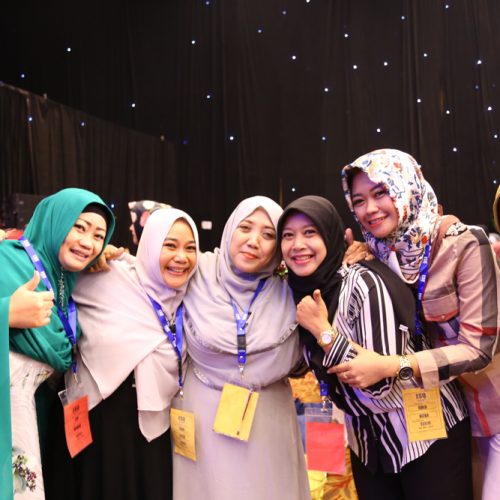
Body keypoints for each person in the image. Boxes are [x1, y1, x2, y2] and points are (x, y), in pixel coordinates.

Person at [278, 195, 472, 500]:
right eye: (288, 235)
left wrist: (323, 332)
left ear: (330, 234)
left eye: (310, 232)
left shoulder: (362, 283)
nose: (298, 244)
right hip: (368, 443)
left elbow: (378, 385)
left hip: (424, 433)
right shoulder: (300, 291)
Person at [339, 148, 500, 500]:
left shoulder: (465, 244)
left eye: (381, 193)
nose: (369, 209)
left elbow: (479, 349)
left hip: (491, 411)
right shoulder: (379, 252)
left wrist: (392, 366)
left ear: (406, 187)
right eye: (359, 200)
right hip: (440, 417)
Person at [43, 207, 198, 500]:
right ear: (150, 245)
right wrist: (95, 254)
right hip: (100, 424)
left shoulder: (193, 293)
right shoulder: (108, 275)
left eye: (190, 248)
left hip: (158, 429)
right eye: (170, 245)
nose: (181, 257)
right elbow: (53, 268)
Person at [172, 196, 311, 500]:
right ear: (230, 229)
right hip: (202, 414)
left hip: (268, 417)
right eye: (245, 228)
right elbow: (146, 271)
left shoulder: (292, 289)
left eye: (268, 234)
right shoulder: (195, 273)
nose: (253, 241)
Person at [0, 188, 115, 499]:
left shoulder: (64, 280)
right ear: (55, 221)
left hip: (31, 425)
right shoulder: (6, 260)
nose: (88, 243)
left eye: (99, 236)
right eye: (79, 227)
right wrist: (6, 312)